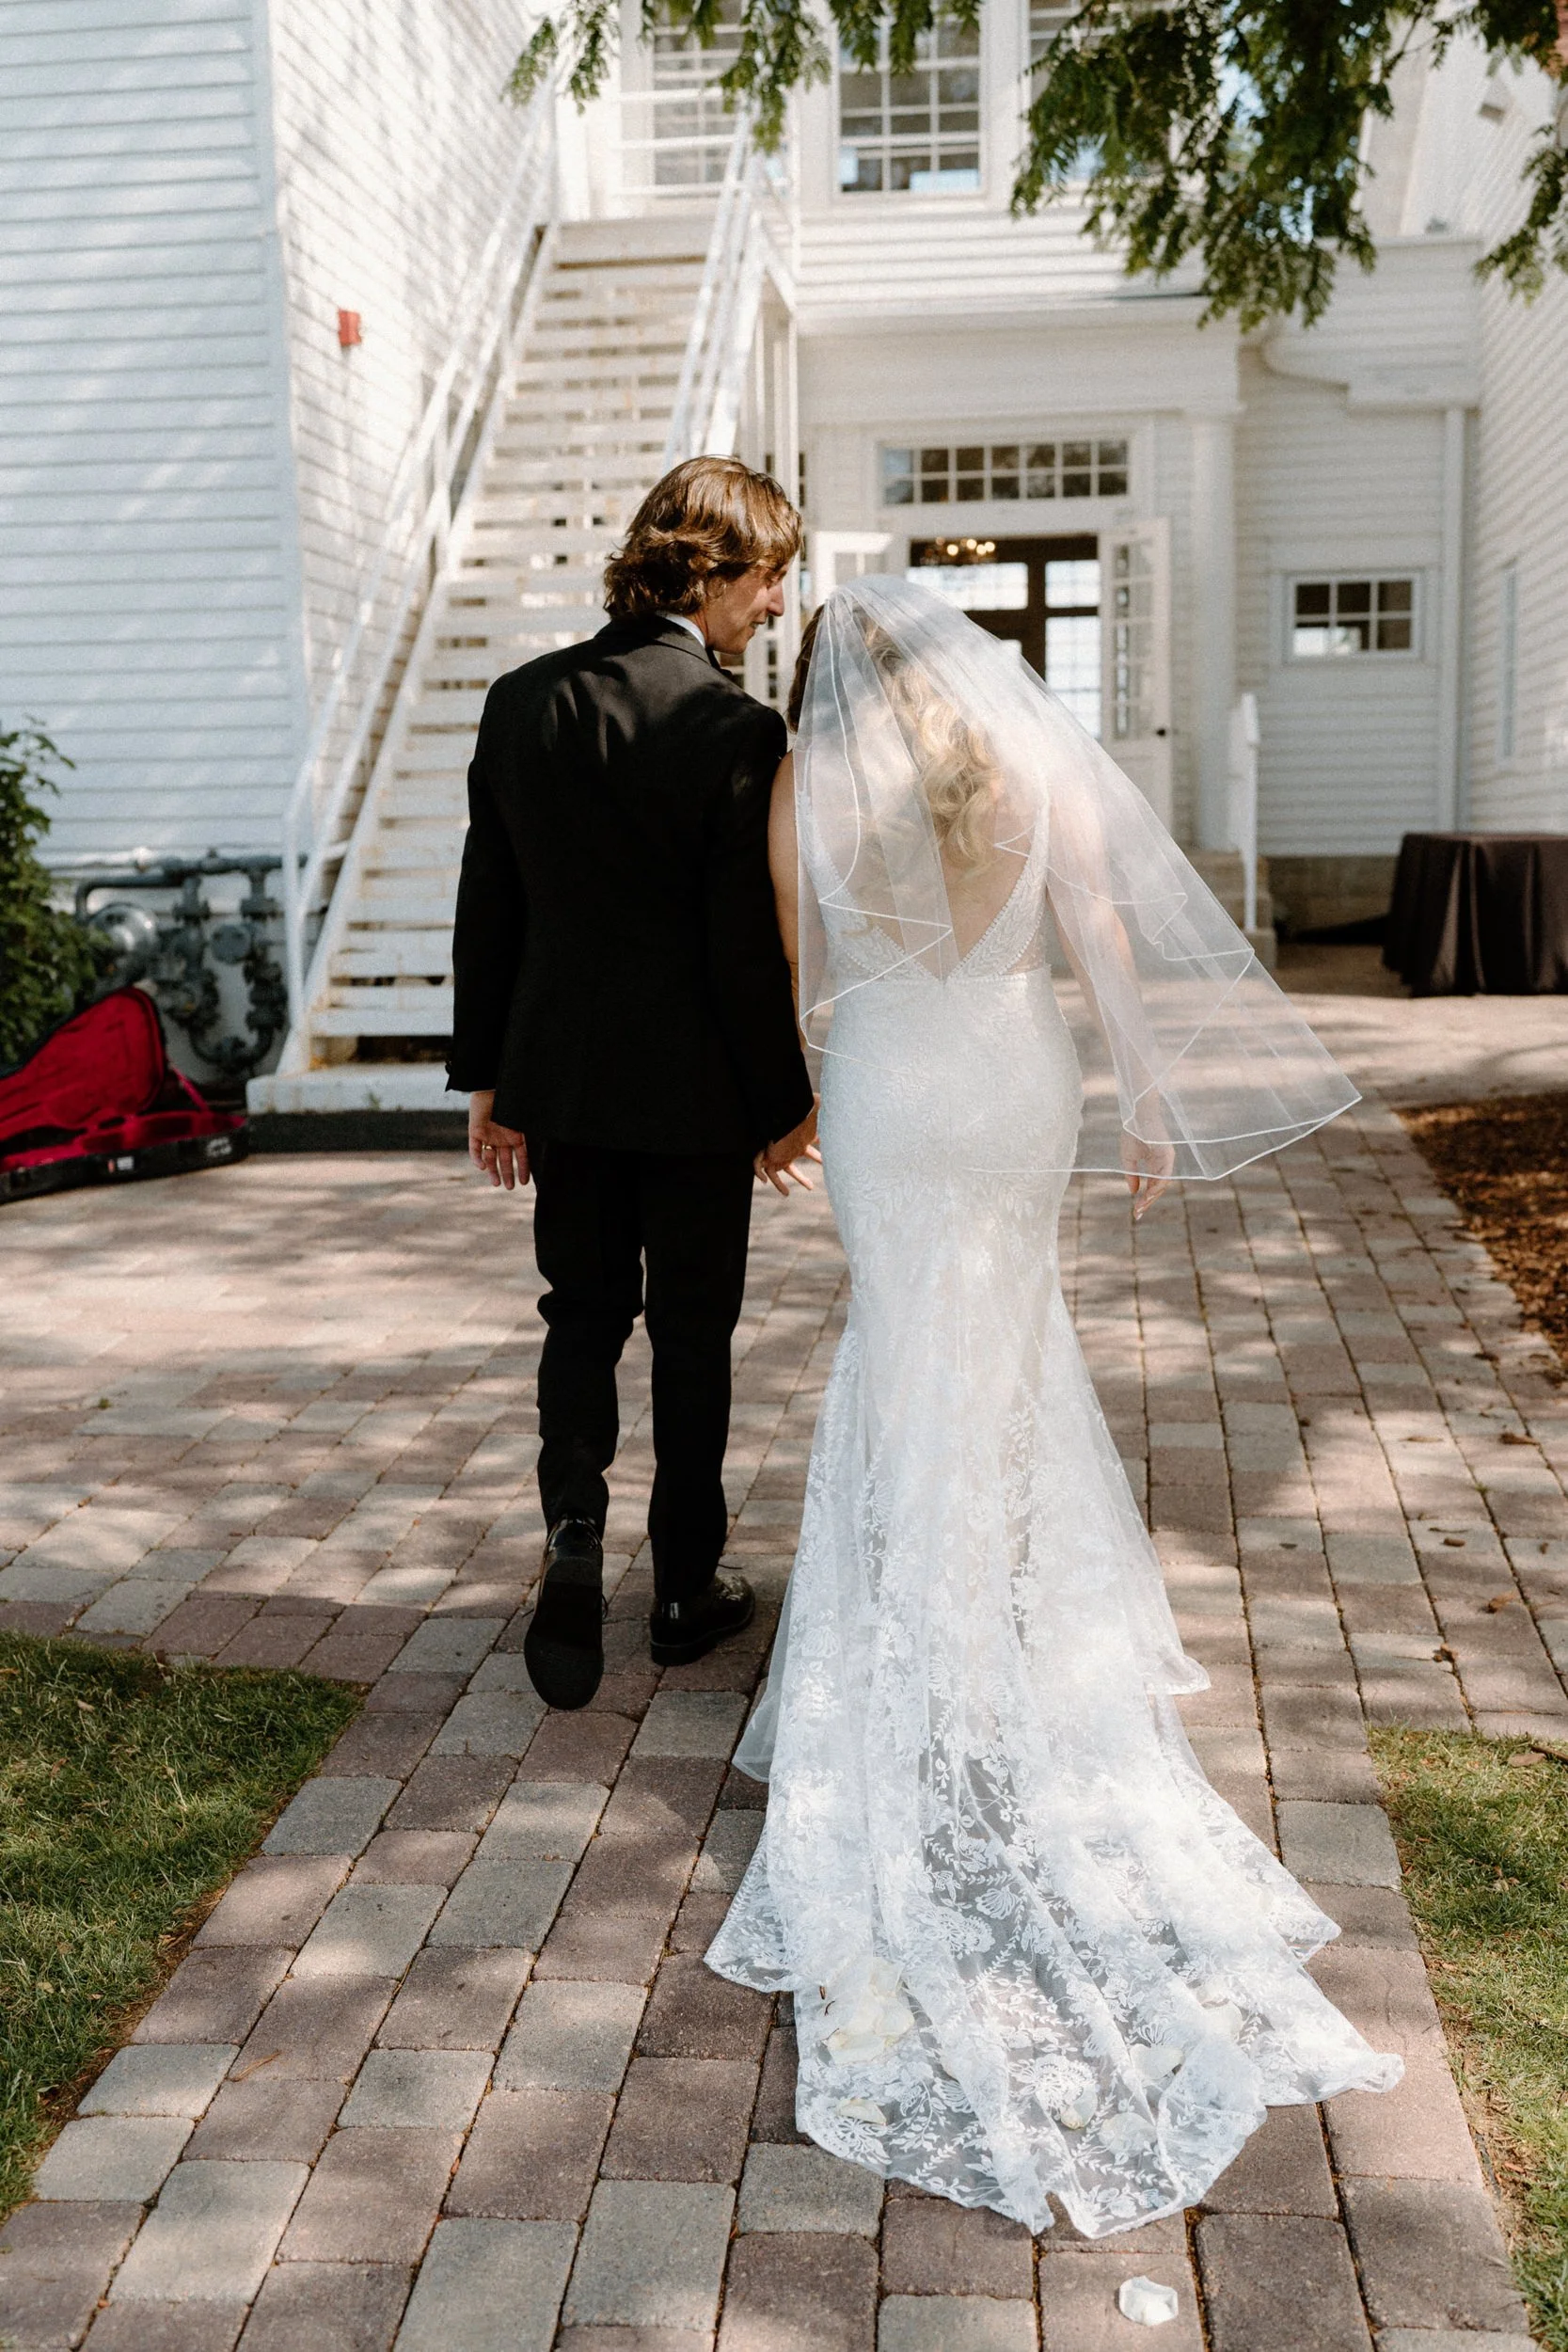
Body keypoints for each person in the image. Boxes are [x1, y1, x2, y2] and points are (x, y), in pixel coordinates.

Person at [706, 578, 1402, 2238]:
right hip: (1017, 1084)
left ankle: (921, 1647)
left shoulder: (810, 785)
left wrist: (786, 1092)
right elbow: (1095, 927)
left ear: (824, 687)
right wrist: (1150, 1095)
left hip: (887, 1089)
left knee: (900, 1355)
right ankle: (1001, 1628)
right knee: (1005, 1359)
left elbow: (791, 965)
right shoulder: (1025, 764)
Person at [447, 456, 817, 1713]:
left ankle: (570, 1529)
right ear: (717, 568)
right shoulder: (732, 729)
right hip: (702, 1093)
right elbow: (741, 945)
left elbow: (487, 906)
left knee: (582, 1313)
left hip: (563, 1079)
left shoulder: (519, 702)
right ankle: (680, 1591)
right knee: (694, 1334)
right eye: (769, 580)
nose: (772, 608)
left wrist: (488, 1078)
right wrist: (784, 1103)